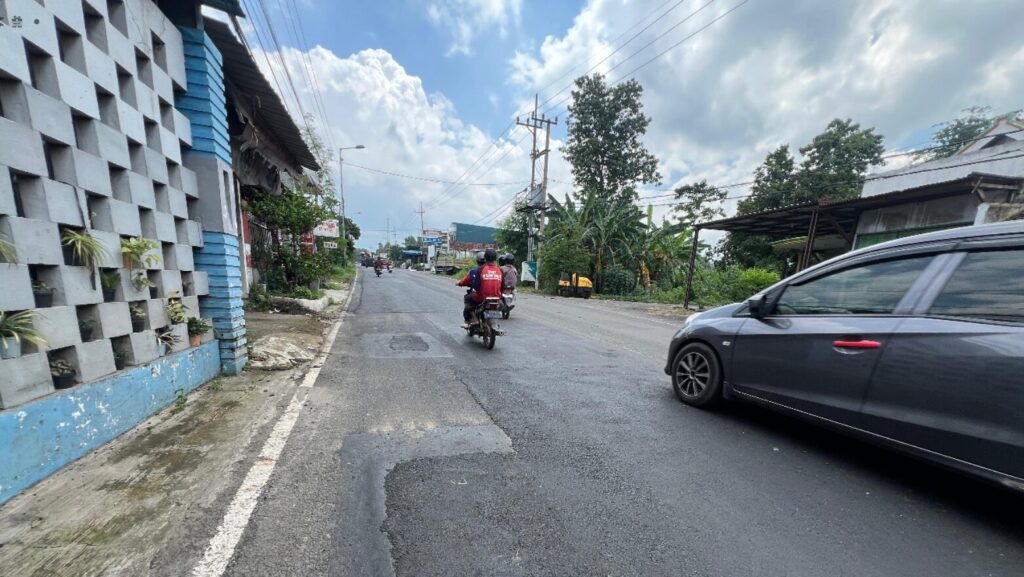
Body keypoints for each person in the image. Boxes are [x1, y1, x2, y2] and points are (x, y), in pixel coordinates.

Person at [456, 252, 487, 327]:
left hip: (480, 295)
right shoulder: (494, 270)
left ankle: (471, 319)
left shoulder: (474, 271)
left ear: (477, 261)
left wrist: (459, 283)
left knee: (467, 298)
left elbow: (466, 281)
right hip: (493, 295)